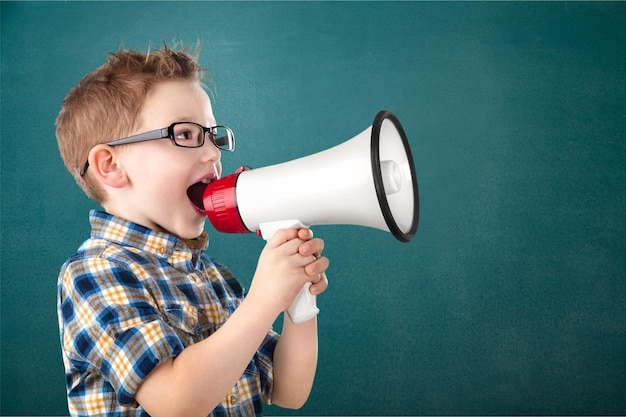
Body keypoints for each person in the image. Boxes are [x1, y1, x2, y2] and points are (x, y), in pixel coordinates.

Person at [55, 44, 329, 417]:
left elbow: (289, 389)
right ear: (111, 166)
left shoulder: (213, 277)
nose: (215, 154)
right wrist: (263, 301)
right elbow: (175, 402)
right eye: (184, 134)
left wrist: (296, 299)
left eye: (213, 136)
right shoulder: (94, 272)